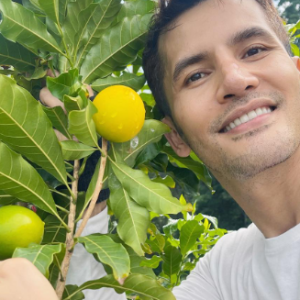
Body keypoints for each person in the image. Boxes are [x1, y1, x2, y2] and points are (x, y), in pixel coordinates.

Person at [1, 0, 300, 299]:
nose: (235, 80)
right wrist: (92, 178)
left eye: (254, 50)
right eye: (195, 76)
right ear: (175, 137)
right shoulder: (225, 270)